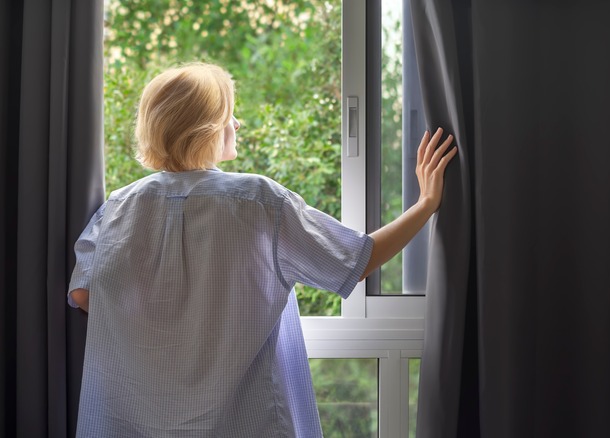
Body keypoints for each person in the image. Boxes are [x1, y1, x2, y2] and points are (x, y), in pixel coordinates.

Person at [67, 62, 457, 437]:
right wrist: (425, 204)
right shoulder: (258, 201)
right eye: (229, 115)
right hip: (247, 424)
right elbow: (357, 259)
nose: (236, 124)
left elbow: (84, 294)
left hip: (135, 424)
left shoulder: (118, 207)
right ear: (206, 127)